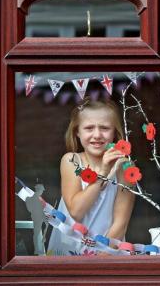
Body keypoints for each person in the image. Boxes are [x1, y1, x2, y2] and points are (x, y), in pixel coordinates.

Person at [47, 98, 135, 256]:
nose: (97, 135)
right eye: (89, 128)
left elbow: (120, 224)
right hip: (68, 250)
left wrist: (100, 259)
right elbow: (76, 211)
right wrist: (102, 173)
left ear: (115, 132)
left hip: (107, 252)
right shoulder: (71, 161)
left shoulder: (125, 168)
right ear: (77, 132)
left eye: (105, 128)